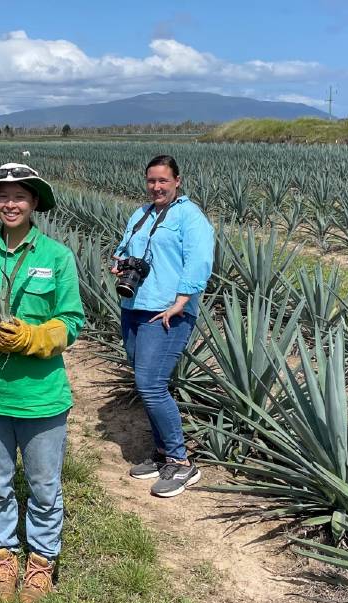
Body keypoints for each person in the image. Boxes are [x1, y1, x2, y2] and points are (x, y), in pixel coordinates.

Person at [0, 163, 85, 603]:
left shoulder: (56, 256)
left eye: (19, 196)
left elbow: (72, 320)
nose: (10, 204)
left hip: (43, 395)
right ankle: (2, 555)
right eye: (2, 196)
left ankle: (42, 562)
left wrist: (33, 337)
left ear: (34, 203)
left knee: (45, 485)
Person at [111, 155, 214, 498]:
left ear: (177, 181)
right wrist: (120, 263)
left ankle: (182, 462)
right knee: (146, 385)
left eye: (163, 181)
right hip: (134, 307)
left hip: (168, 312)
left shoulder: (190, 217)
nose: (156, 187)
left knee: (151, 384)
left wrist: (181, 302)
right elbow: (123, 247)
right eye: (151, 181)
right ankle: (160, 454)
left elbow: (199, 261)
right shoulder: (140, 215)